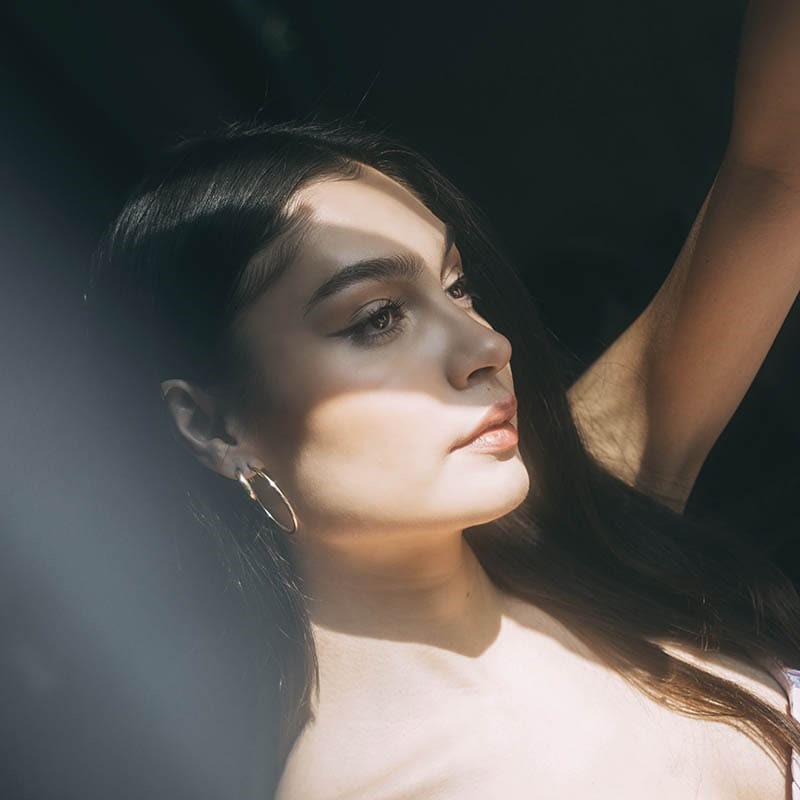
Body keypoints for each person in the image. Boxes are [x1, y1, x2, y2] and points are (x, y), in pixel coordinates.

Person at [84, 3, 800, 797]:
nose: (488, 346)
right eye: (378, 318)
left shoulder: (569, 526)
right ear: (213, 425)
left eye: (457, 287)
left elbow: (777, 174)